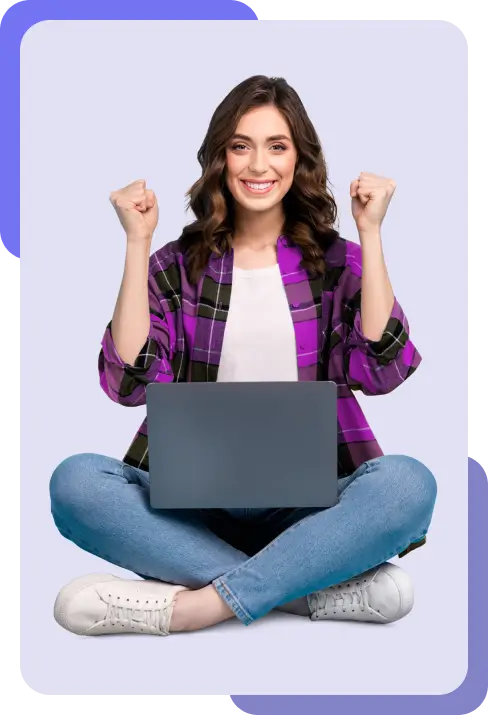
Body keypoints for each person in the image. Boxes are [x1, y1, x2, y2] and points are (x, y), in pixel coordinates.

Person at [50, 75, 437, 637]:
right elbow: (128, 381)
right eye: (241, 146)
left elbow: (383, 367)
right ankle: (302, 593)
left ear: (298, 158)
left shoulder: (335, 261)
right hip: (192, 511)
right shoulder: (175, 265)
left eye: (277, 146)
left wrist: (371, 233)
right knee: (75, 483)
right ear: (220, 159)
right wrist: (136, 243)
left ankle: (195, 606)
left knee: (408, 484)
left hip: (310, 512)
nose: (259, 165)